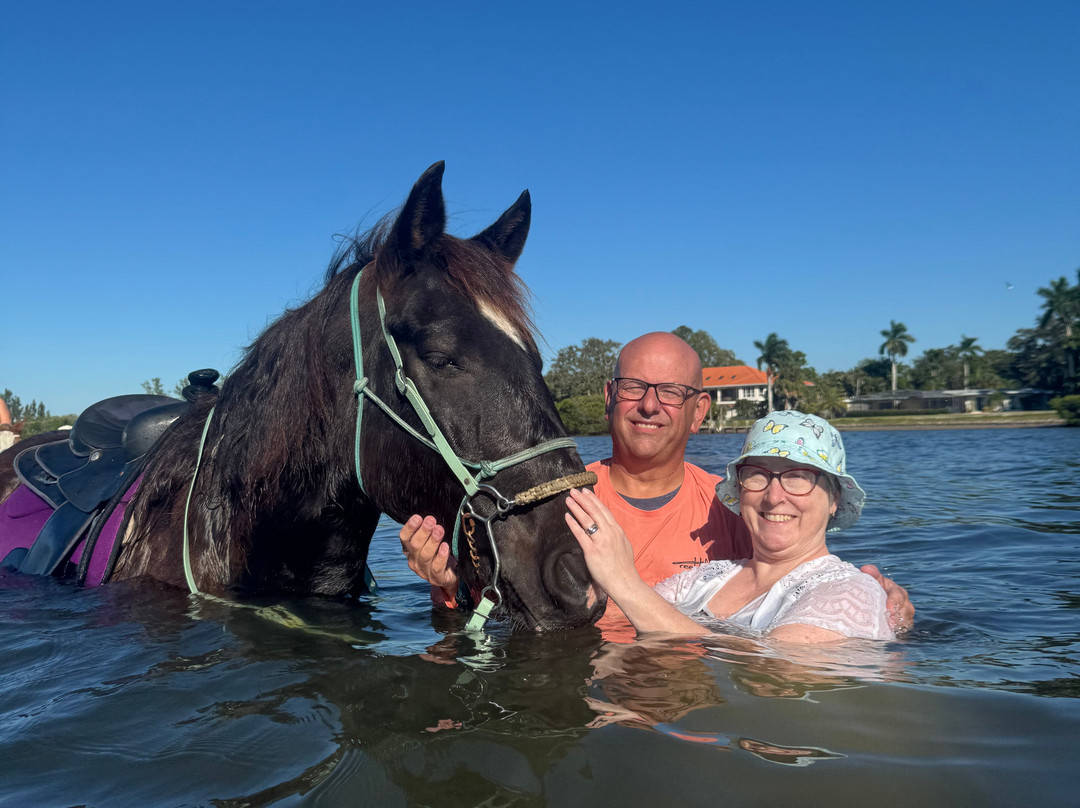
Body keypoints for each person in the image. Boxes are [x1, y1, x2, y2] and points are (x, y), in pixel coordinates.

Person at [400, 332, 912, 628]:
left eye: (670, 391)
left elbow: (800, 582)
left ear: (698, 411)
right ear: (608, 397)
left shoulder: (738, 509)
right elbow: (495, 616)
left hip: (692, 715)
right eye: (634, 387)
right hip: (576, 698)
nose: (649, 405)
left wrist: (874, 600)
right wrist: (448, 588)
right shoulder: (546, 501)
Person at [565, 410, 895, 642]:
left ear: (835, 499)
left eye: (798, 477)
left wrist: (623, 580)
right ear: (739, 489)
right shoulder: (704, 577)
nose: (774, 496)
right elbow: (617, 618)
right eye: (758, 474)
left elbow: (777, 672)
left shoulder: (851, 592)